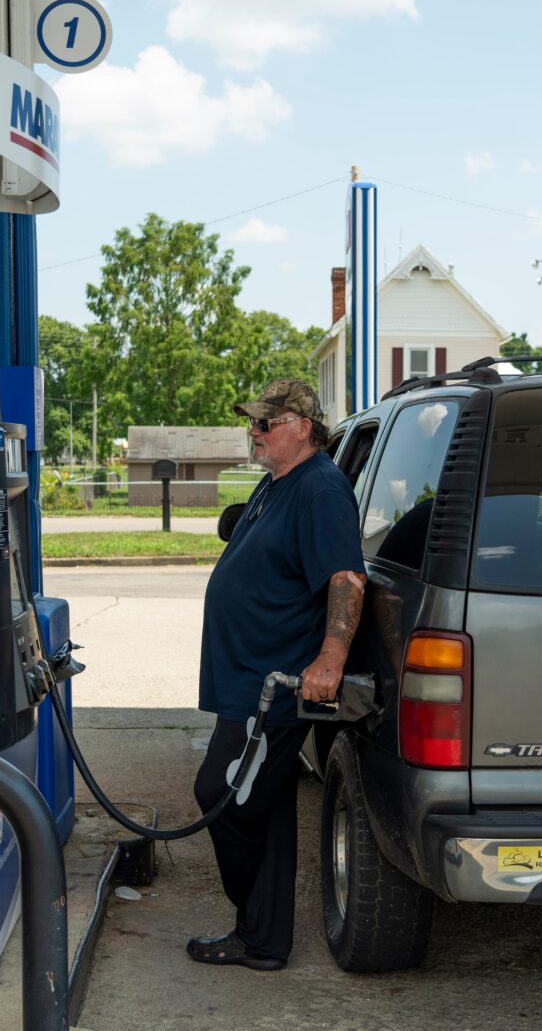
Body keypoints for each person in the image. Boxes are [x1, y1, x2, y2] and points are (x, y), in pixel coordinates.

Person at [188, 378, 365, 972]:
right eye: (253, 424)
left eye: (264, 424)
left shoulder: (321, 490)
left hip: (274, 688)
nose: (254, 434)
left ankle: (256, 927)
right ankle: (263, 940)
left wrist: (331, 660)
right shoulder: (278, 483)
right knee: (264, 803)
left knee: (223, 794)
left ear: (301, 427)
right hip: (245, 680)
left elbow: (345, 578)